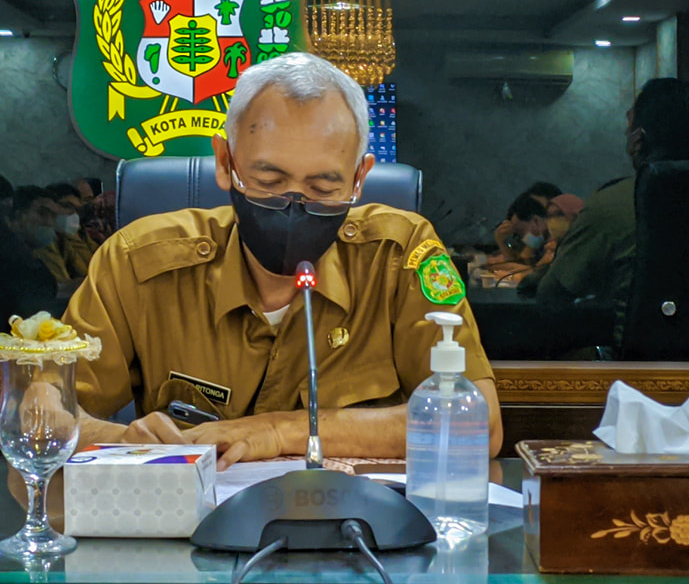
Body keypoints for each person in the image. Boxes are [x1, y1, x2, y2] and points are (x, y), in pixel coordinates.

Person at [64, 51, 501, 466]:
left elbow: (477, 425)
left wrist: (279, 431)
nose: (294, 204)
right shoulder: (137, 263)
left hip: (356, 529)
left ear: (359, 178)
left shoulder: (399, 256)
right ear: (225, 163)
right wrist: (125, 441)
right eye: (269, 180)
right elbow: (43, 413)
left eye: (323, 188)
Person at [529, 79, 689, 312]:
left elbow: (551, 293)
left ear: (638, 139)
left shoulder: (612, 203)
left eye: (629, 125)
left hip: (626, 346)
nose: (626, 132)